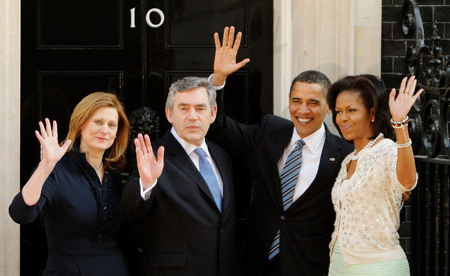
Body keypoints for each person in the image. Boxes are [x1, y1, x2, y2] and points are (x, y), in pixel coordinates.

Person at [208, 26, 353, 276]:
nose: (303, 110)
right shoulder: (269, 131)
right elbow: (218, 125)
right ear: (288, 100)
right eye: (296, 101)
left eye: (313, 103)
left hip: (309, 266)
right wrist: (218, 79)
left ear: (329, 106)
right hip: (256, 261)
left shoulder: (343, 153)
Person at [120, 77, 237, 276]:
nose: (192, 116)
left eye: (200, 108)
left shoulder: (223, 156)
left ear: (213, 114)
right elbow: (129, 211)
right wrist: (147, 184)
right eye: (183, 108)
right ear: (169, 114)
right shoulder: (152, 155)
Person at [9, 92, 130, 276]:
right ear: (80, 125)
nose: (105, 130)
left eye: (112, 125)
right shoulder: (56, 170)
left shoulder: (114, 177)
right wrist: (45, 167)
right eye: (98, 122)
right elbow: (20, 214)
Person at [326, 75, 422, 275]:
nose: (342, 118)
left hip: (379, 267)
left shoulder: (387, 149)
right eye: (338, 111)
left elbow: (407, 182)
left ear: (371, 113)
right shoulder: (348, 160)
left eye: (351, 110)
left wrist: (400, 124)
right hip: (338, 265)